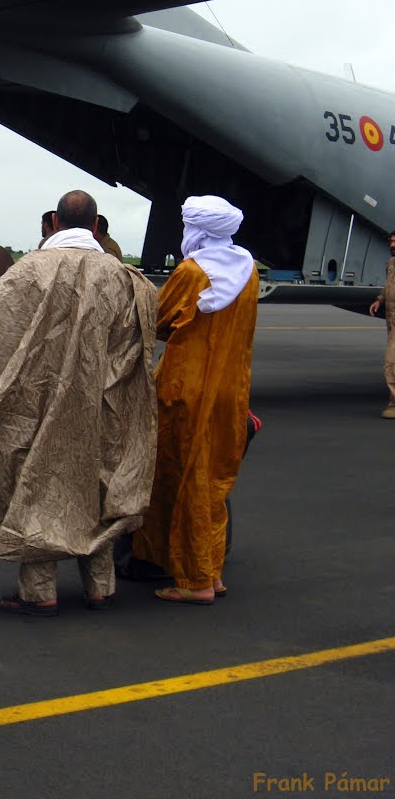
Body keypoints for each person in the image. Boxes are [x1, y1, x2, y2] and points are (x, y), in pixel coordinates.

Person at [0, 190, 158, 615]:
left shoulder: (27, 273)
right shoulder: (125, 279)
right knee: (96, 487)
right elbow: (135, 357)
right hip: (100, 410)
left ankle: (40, 592)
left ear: (54, 222)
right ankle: (100, 586)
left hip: (35, 408)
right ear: (96, 226)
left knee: (35, 486)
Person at [131, 195, 259, 605]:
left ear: (197, 230)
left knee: (181, 478)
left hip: (186, 390)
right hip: (230, 390)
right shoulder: (249, 269)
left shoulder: (191, 272)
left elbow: (161, 320)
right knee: (212, 481)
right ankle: (210, 571)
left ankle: (196, 580)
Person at [368, 230, 395, 418]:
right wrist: (379, 300)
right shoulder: (391, 264)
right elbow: (389, 285)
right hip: (391, 318)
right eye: (391, 241)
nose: (392, 245)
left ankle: (394, 403)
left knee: (390, 362)